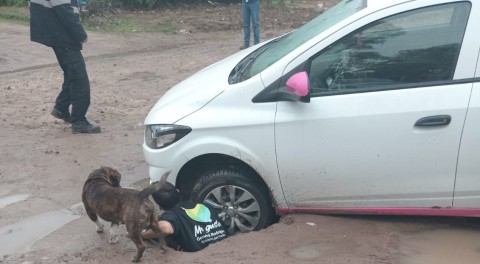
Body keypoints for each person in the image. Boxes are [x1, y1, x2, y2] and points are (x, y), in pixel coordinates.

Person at [29, 0, 101, 134]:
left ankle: (61, 108)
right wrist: (80, 34)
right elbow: (63, 10)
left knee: (72, 73)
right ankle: (79, 121)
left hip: (57, 32)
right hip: (61, 33)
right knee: (79, 77)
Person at [142, 182, 228, 252]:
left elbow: (166, 229)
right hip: (223, 247)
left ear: (159, 206)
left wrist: (143, 235)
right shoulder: (205, 206)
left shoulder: (172, 215)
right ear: (178, 191)